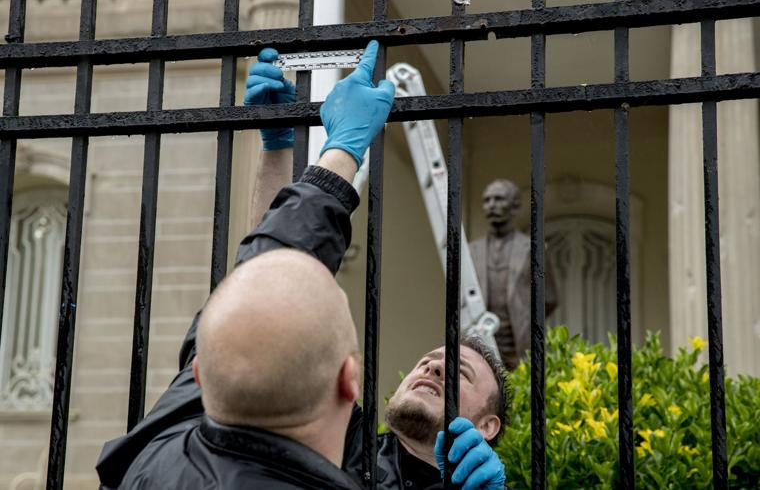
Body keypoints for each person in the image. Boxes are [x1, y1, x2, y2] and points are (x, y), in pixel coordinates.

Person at [96, 41, 392, 489]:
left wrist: (289, 150)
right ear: (349, 381)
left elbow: (260, 287)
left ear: (200, 374)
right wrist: (340, 150)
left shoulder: (149, 461)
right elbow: (264, 286)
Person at [246, 45, 510, 490]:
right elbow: (266, 296)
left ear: (487, 427)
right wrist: (277, 149)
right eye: (428, 362)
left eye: (458, 374)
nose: (432, 369)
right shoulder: (338, 441)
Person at [469, 180, 558, 369]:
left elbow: (549, 298)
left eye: (499, 199)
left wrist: (524, 317)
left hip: (520, 341)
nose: (492, 205)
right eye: (487, 200)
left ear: (515, 206)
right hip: (482, 337)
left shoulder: (534, 249)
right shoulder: (471, 250)